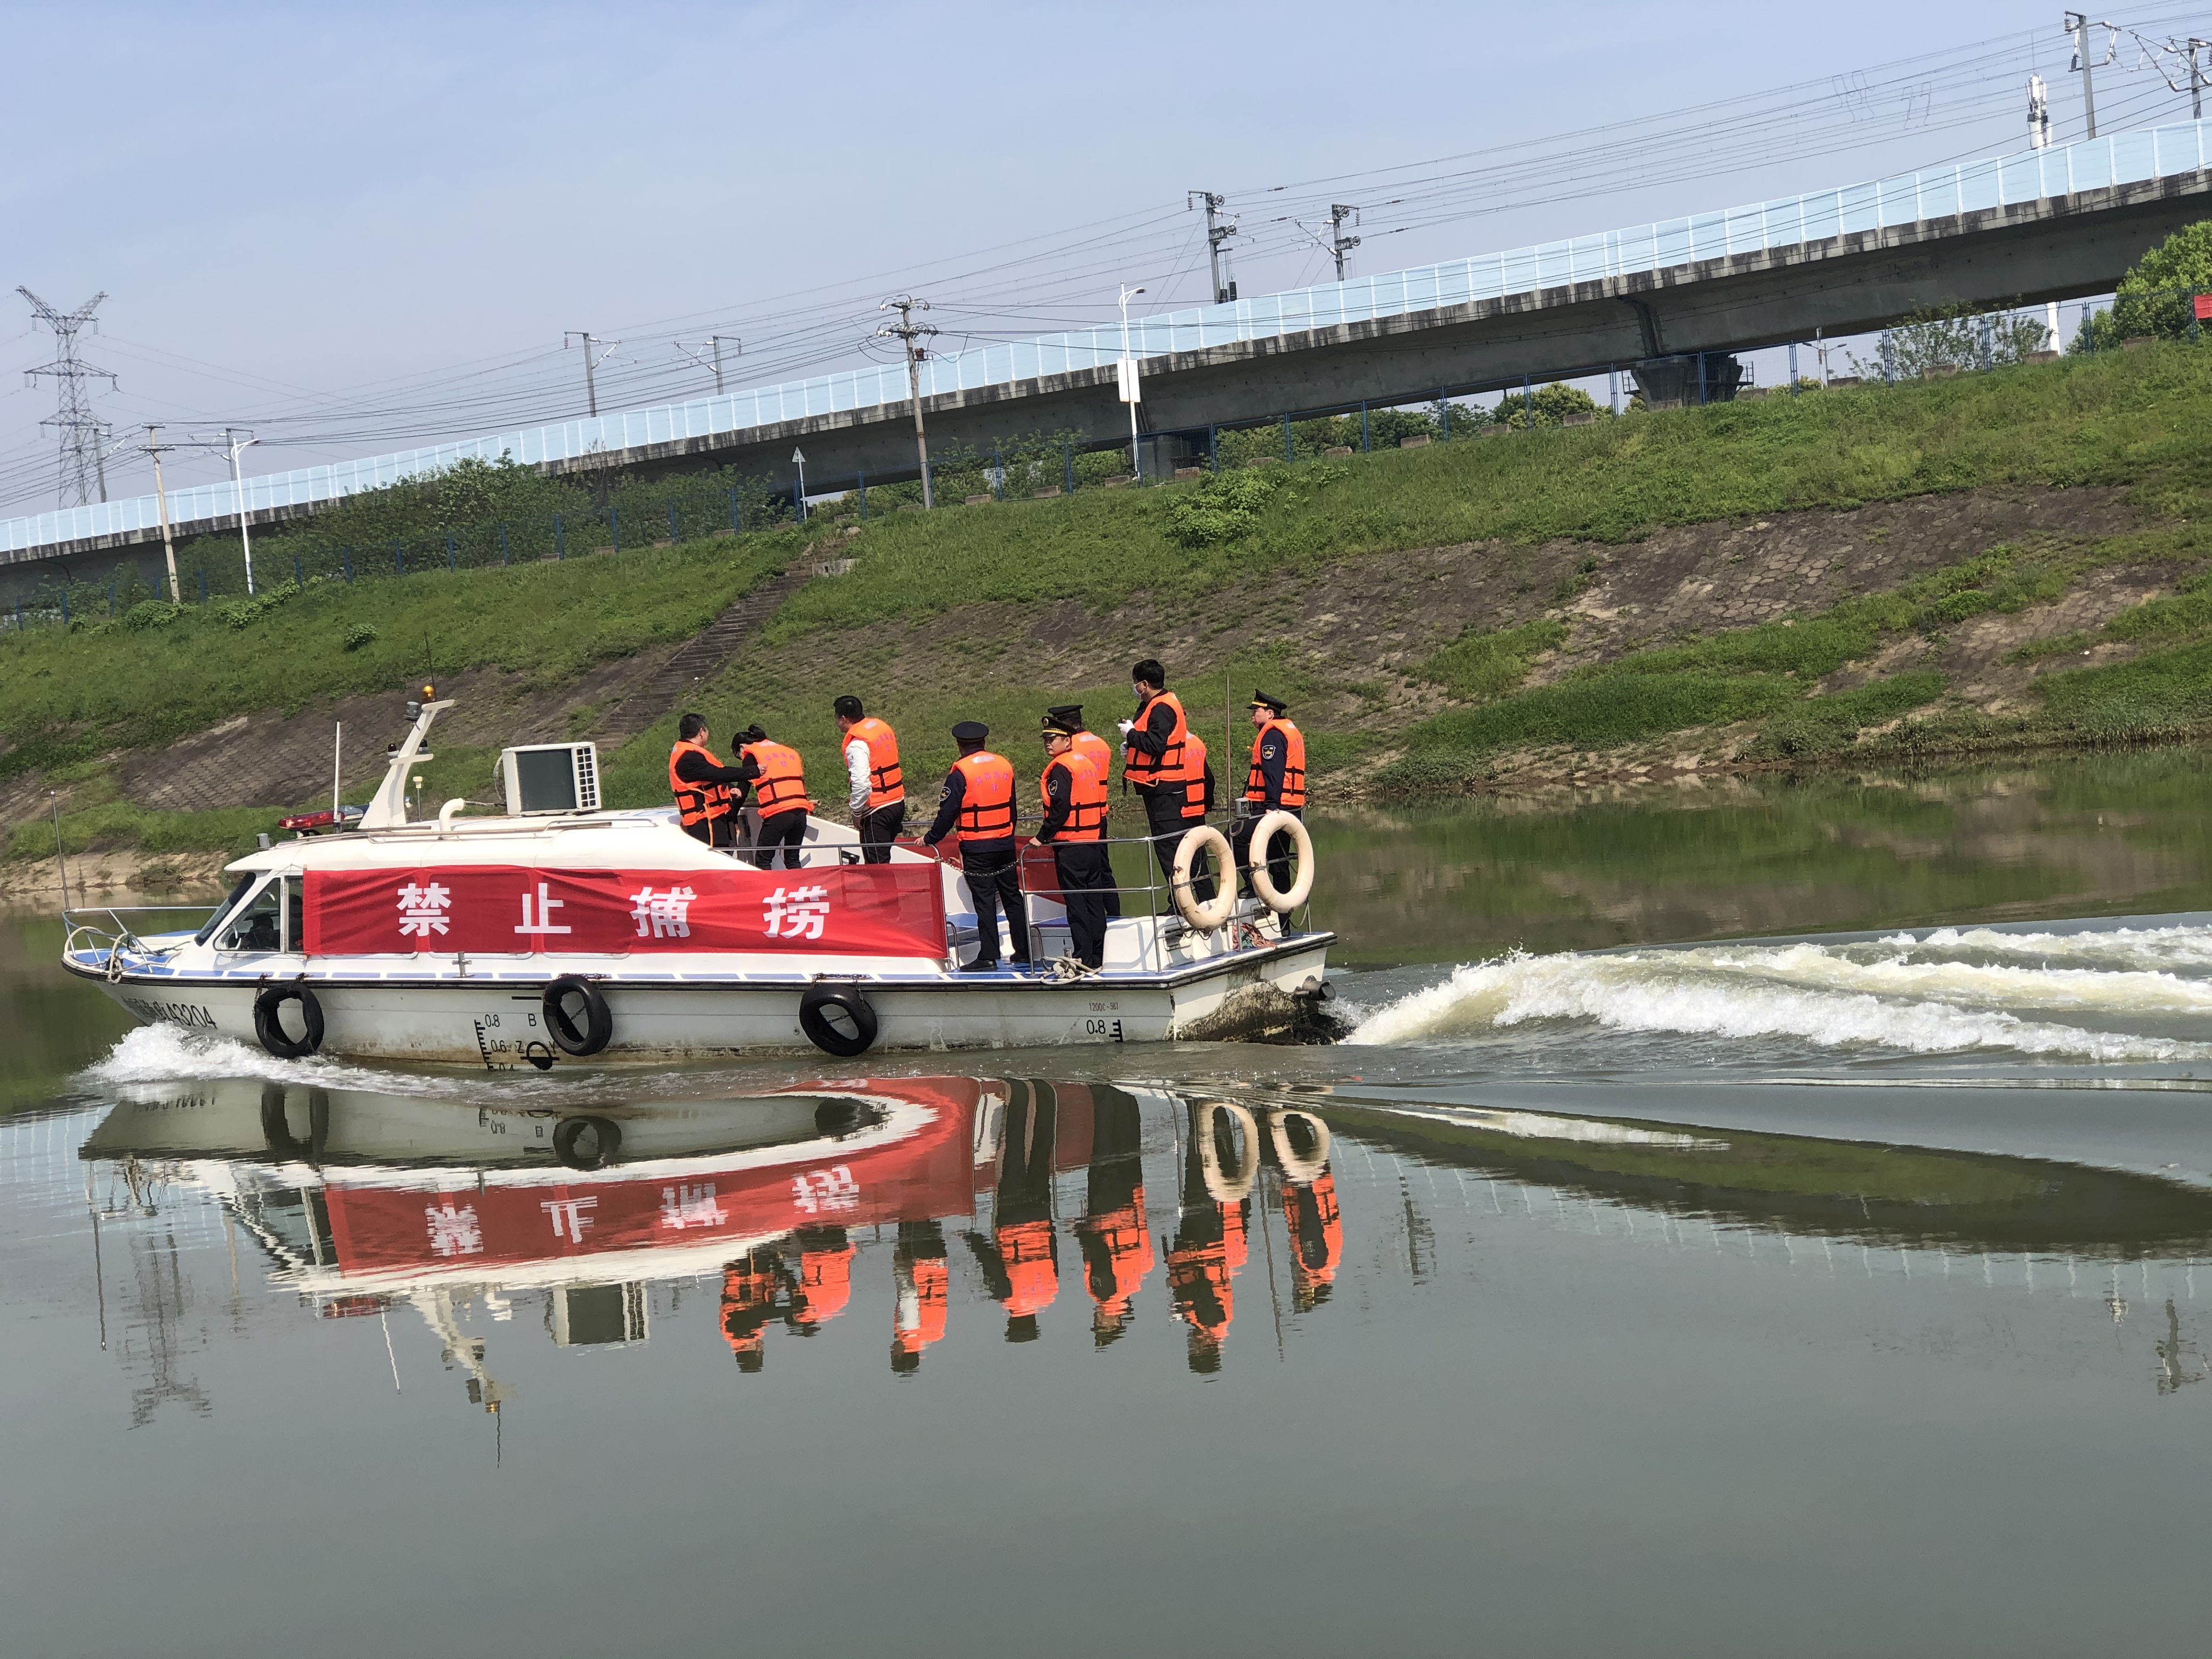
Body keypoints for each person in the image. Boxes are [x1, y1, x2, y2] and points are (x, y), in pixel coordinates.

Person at [921, 720, 1030, 972]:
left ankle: (989, 955)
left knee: (984, 902)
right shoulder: (1004, 765)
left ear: (960, 746)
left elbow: (948, 812)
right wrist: (1006, 833)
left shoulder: (961, 771)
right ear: (984, 742)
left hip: (977, 845)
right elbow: (1012, 808)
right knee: (1012, 897)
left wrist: (931, 838)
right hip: (1005, 842)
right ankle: (1023, 952)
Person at [1119, 661, 1215, 905]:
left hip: (1165, 790)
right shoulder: (1156, 705)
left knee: (1170, 850)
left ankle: (1183, 904)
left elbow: (1155, 745)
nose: (1134, 687)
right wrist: (1131, 745)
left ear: (1144, 684)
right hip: (1168, 791)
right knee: (1185, 849)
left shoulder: (1161, 708)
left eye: (1135, 683)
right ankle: (1203, 900)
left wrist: (1131, 734)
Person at [1036, 712, 1112, 972]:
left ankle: (1083, 957)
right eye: (1045, 739)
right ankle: (1100, 955)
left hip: (1070, 844)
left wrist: (1041, 837)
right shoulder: (1085, 762)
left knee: (1077, 904)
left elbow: (1060, 808)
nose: (1048, 743)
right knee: (1094, 901)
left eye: (1054, 739)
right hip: (1092, 840)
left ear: (1068, 741)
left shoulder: (1061, 768)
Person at [1231, 689, 1307, 896]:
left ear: (1270, 714)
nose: (1253, 715)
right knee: (1278, 859)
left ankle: (1254, 886)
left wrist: (1271, 806)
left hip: (1275, 806)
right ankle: (1283, 920)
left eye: (1257, 711)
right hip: (1291, 805)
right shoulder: (1288, 730)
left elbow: (1273, 772)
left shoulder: (1272, 735)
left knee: (1234, 838)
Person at [1046, 704, 1118, 918]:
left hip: (1075, 824)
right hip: (1099, 814)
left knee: (1079, 882)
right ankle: (1114, 914)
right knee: (1103, 869)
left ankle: (1086, 923)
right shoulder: (1100, 744)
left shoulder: (1070, 750)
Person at [669, 712, 756, 848]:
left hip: (713, 818)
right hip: (703, 823)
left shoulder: (689, 752)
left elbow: (708, 778)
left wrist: (728, 788)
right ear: (702, 732)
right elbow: (716, 773)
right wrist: (753, 771)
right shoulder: (688, 757)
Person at [834, 695, 904, 864]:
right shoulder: (880, 727)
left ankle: (886, 892)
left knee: (877, 868)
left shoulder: (856, 744)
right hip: (897, 802)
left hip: (877, 810)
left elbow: (861, 784)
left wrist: (857, 812)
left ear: (843, 719)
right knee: (883, 862)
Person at [738, 724, 812, 870]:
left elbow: (743, 789)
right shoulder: (788, 751)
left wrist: (732, 815)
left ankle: (768, 892)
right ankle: (799, 891)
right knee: (792, 859)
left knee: (763, 860)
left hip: (779, 812)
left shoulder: (752, 755)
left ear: (742, 748)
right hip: (800, 810)